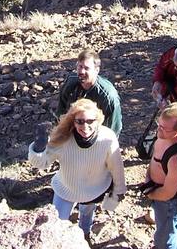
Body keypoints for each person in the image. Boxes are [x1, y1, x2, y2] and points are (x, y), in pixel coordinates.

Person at [29, 98, 127, 241]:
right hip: (65, 189)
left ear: (98, 120)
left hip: (93, 189)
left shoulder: (107, 138)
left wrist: (118, 192)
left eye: (90, 121)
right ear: (73, 121)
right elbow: (42, 163)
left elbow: (116, 167)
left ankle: (85, 237)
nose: (85, 127)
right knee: (57, 224)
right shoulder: (63, 138)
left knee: (87, 215)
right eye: (80, 121)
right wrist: (39, 147)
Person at [143, 102, 177, 249]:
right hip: (163, 193)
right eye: (159, 125)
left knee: (165, 233)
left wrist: (150, 194)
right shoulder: (165, 136)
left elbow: (167, 192)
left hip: (168, 199)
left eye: (164, 128)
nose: (159, 130)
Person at [57, 49, 122, 136]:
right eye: (80, 67)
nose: (82, 71)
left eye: (86, 68)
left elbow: (112, 130)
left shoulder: (108, 96)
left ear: (96, 70)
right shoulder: (70, 84)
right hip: (73, 133)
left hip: (97, 136)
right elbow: (61, 114)